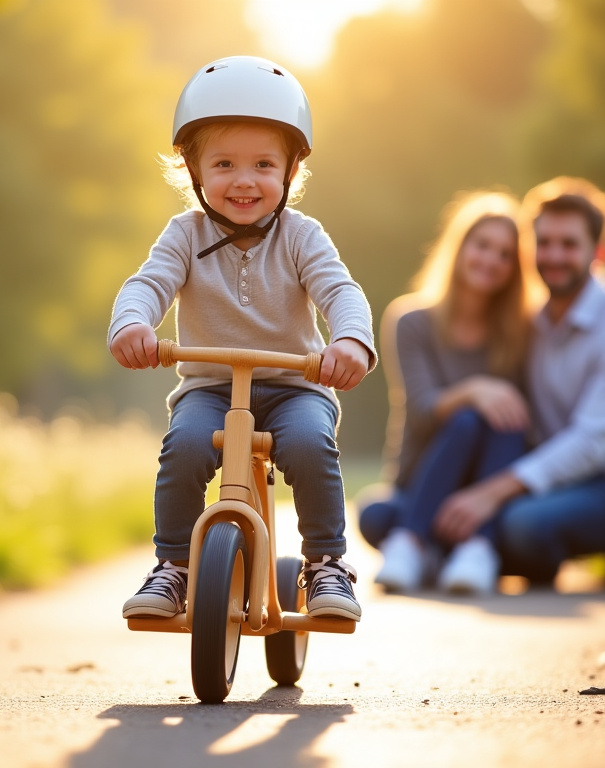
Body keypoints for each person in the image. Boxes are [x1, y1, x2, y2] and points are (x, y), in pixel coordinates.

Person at [108, 56, 376, 621]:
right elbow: (147, 283)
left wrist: (350, 339)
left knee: (308, 443)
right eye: (224, 163)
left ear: (289, 173)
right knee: (182, 448)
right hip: (209, 388)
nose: (245, 179)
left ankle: (327, 563)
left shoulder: (303, 236)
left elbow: (341, 292)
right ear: (195, 171)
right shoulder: (184, 234)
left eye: (263, 164)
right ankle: (174, 569)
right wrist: (133, 324)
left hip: (294, 388)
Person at [430, 183, 605, 586]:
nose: (555, 256)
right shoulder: (528, 321)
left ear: (599, 252)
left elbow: (590, 446)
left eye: (569, 244)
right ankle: (468, 549)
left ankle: (514, 555)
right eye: (545, 243)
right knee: (396, 516)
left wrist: (490, 493)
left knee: (518, 523)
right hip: (548, 479)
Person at [359, 192, 542, 595]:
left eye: (505, 254)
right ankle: (420, 543)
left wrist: (491, 399)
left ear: (516, 268)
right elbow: (423, 410)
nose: (491, 260)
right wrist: (475, 389)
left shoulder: (522, 331)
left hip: (485, 488)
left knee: (506, 412)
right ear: (459, 248)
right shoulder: (410, 320)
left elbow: (526, 422)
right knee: (374, 514)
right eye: (482, 246)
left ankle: (464, 546)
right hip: (422, 475)